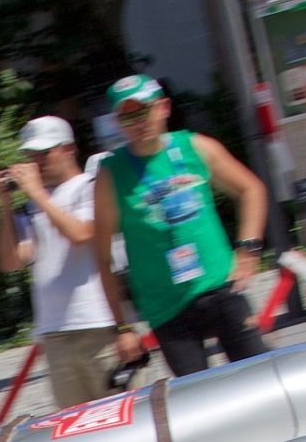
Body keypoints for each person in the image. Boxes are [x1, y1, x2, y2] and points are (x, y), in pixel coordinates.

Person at [94, 75, 271, 383]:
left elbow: (251, 189)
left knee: (258, 377)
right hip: (166, 306)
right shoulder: (111, 174)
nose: (139, 121)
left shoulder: (196, 147)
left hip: (219, 285)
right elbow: (102, 256)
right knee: (197, 398)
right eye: (128, 116)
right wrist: (122, 327)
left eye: (144, 110)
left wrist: (249, 248)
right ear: (118, 122)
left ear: (163, 107)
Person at [0, 115, 118, 409]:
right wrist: (5, 205)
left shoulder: (89, 186)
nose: (37, 161)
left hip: (97, 323)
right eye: (31, 155)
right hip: (54, 332)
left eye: (45, 153)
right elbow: (12, 260)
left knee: (121, 414)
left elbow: (81, 234)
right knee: (75, 427)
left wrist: (37, 193)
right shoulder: (32, 204)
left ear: (68, 149)